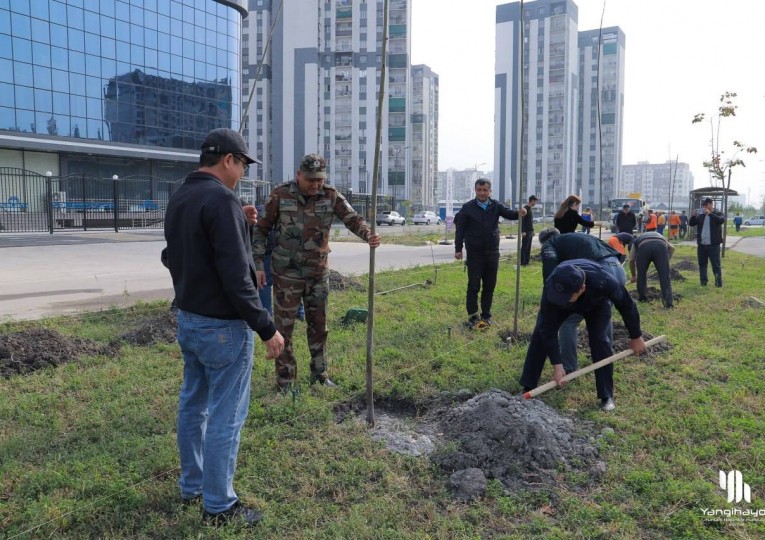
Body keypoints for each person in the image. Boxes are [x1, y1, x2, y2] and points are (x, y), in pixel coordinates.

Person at [164, 128, 285, 526]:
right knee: (226, 415)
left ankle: (192, 485)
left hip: (189, 319)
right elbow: (237, 277)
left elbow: (174, 254)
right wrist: (266, 327)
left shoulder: (182, 195)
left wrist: (241, 225)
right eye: (243, 165)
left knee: (193, 405)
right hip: (223, 329)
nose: (243, 174)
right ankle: (219, 506)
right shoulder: (222, 200)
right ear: (229, 160)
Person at [252, 153, 380, 390]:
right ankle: (285, 380)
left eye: (319, 179)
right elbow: (261, 229)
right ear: (299, 175)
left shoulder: (331, 195)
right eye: (310, 179)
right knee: (283, 328)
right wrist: (258, 264)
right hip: (286, 275)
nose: (315, 185)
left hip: (317, 273)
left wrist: (367, 234)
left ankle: (319, 375)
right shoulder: (280, 195)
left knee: (319, 326)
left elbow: (353, 219)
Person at [519, 259, 647, 411]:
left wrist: (636, 336)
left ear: (582, 288)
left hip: (596, 304)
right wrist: (557, 366)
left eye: (567, 296)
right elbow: (548, 329)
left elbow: (626, 305)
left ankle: (606, 395)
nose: (562, 300)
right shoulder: (553, 288)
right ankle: (528, 386)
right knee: (540, 334)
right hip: (562, 304)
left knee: (600, 340)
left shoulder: (604, 280)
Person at [538, 228, 626, 375]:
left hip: (601, 271)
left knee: (569, 321)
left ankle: (569, 367)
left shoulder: (552, 246)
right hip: (617, 268)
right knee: (603, 314)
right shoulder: (575, 238)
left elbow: (553, 277)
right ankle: (605, 360)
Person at [454, 178, 526, 328]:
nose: (482, 193)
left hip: (492, 252)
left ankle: (486, 315)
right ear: (475, 190)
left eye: (485, 190)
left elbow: (510, 214)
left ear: (489, 191)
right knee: (473, 285)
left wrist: (521, 212)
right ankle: (473, 315)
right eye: (479, 190)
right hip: (474, 253)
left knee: (489, 285)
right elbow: (460, 229)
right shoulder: (467, 207)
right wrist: (458, 248)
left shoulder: (496, 205)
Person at [253, 205, 305, 321]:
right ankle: (299, 312)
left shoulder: (257, 213)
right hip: (283, 249)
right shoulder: (281, 209)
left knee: (264, 283)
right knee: (291, 280)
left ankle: (267, 315)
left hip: (267, 250)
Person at [629, 231, 675, 308]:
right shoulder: (660, 236)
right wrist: (665, 263)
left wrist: (634, 276)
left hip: (644, 248)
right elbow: (672, 248)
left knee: (641, 274)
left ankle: (642, 298)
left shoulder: (636, 241)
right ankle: (668, 303)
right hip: (660, 245)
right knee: (664, 276)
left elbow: (631, 260)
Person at [689, 197, 725, 287]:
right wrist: (693, 216)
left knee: (716, 265)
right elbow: (691, 223)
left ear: (711, 204)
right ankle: (703, 282)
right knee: (702, 265)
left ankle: (718, 283)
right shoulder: (701, 215)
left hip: (713, 245)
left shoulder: (718, 213)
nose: (704, 207)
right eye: (703, 205)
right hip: (702, 245)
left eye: (706, 205)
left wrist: (710, 214)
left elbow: (721, 220)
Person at [520, 195, 538, 266]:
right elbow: (522, 220)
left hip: (530, 231)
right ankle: (522, 262)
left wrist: (533, 230)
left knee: (528, 247)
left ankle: (527, 262)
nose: (535, 203)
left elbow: (530, 221)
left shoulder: (530, 209)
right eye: (535, 201)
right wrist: (523, 231)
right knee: (525, 247)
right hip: (526, 231)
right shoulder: (525, 208)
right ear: (532, 201)